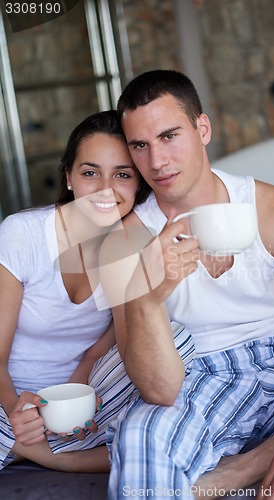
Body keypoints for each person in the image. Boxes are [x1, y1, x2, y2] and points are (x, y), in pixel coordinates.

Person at [101, 70, 274, 499]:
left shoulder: (272, 207)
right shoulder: (124, 242)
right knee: (138, 438)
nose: (157, 162)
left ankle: (239, 470)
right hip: (195, 382)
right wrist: (150, 297)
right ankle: (262, 456)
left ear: (202, 129)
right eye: (140, 145)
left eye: (170, 136)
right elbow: (159, 389)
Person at [0, 109, 195, 474]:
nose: (106, 189)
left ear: (138, 184)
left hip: (87, 390)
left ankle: (48, 446)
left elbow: (115, 344)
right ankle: (50, 453)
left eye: (122, 175)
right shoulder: (22, 234)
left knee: (175, 339)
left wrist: (79, 395)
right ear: (69, 178)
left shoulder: (132, 241)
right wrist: (16, 409)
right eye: (91, 173)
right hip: (9, 395)